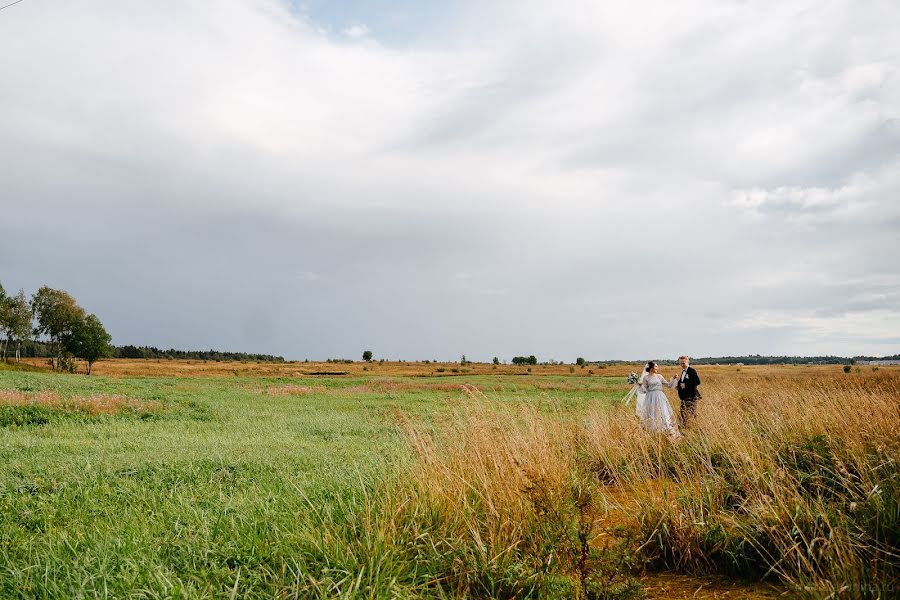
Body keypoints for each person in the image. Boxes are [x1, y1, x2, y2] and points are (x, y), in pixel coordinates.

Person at [637, 361, 681, 438]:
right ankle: (653, 432)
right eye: (656, 366)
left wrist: (673, 378)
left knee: (663, 412)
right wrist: (640, 385)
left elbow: (668, 385)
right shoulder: (646, 377)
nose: (657, 368)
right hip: (650, 397)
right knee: (652, 413)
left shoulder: (659, 376)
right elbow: (644, 390)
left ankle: (666, 430)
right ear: (651, 368)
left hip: (660, 396)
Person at [676, 355, 701, 428]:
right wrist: (678, 386)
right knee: (683, 413)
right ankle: (685, 428)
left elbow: (697, 381)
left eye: (683, 363)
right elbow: (683, 382)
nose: (682, 365)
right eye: (680, 363)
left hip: (691, 396)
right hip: (684, 397)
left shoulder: (691, 371)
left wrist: (686, 385)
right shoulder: (683, 371)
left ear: (687, 362)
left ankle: (694, 428)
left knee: (691, 413)